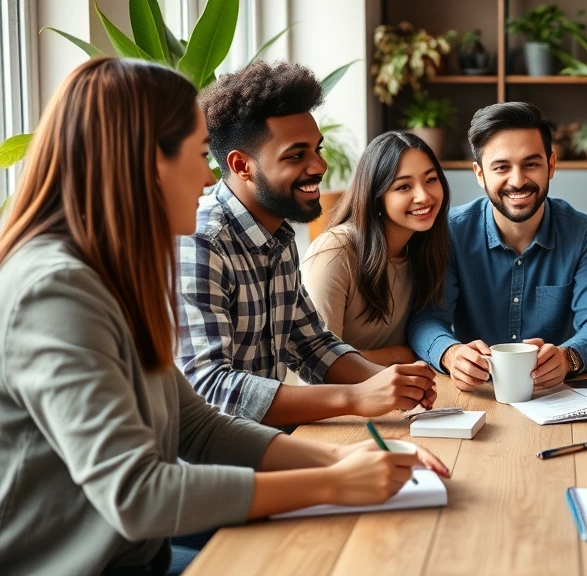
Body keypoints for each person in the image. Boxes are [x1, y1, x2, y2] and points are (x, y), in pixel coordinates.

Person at [0, 58, 449, 576]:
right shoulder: (55, 290)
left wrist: (341, 460)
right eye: (196, 155)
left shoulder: (112, 272)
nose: (205, 174)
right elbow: (139, 494)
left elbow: (198, 425)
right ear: (144, 164)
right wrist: (334, 481)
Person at [177, 61, 437, 426]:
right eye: (297, 155)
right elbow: (210, 389)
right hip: (214, 466)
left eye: (317, 149)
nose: (319, 165)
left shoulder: (279, 237)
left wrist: (383, 382)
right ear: (241, 165)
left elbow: (312, 344)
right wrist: (357, 397)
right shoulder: (200, 243)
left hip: (265, 444)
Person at [407, 102, 587, 392]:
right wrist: (450, 354)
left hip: (555, 395)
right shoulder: (450, 232)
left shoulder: (584, 233)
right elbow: (427, 319)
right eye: (501, 167)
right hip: (479, 395)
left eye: (531, 164)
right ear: (480, 174)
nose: (517, 181)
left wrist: (568, 357)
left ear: (552, 166)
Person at [301, 131, 450, 366]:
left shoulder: (424, 250)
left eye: (431, 180)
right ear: (376, 196)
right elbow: (318, 363)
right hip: (339, 399)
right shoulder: (336, 250)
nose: (423, 196)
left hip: (398, 396)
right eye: (403, 187)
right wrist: (398, 355)